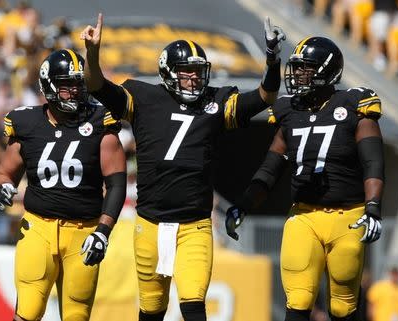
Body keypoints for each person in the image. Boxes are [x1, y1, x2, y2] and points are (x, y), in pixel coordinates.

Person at [80, 13, 286, 321]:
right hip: (149, 224)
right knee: (151, 311)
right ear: (167, 72)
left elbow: (265, 96)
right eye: (186, 72)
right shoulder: (143, 96)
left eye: (197, 72)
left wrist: (272, 59)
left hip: (194, 226)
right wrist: (92, 53)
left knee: (193, 307)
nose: (193, 78)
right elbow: (96, 85)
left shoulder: (215, 102)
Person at [226, 36, 384, 321]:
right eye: (296, 67)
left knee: (342, 305)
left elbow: (373, 161)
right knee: (298, 298)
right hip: (304, 216)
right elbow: (270, 168)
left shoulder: (354, 104)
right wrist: (244, 204)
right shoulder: (290, 111)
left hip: (348, 215)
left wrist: (373, 206)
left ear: (327, 70)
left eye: (306, 67)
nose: (297, 73)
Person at [0, 49, 127, 321]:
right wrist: (1, 187)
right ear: (48, 86)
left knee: (76, 315)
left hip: (83, 231)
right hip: (38, 228)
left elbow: (117, 184)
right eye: (67, 85)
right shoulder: (26, 122)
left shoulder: (100, 121)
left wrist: (103, 231)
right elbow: (5, 172)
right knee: (28, 310)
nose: (75, 92)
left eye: (79, 85)